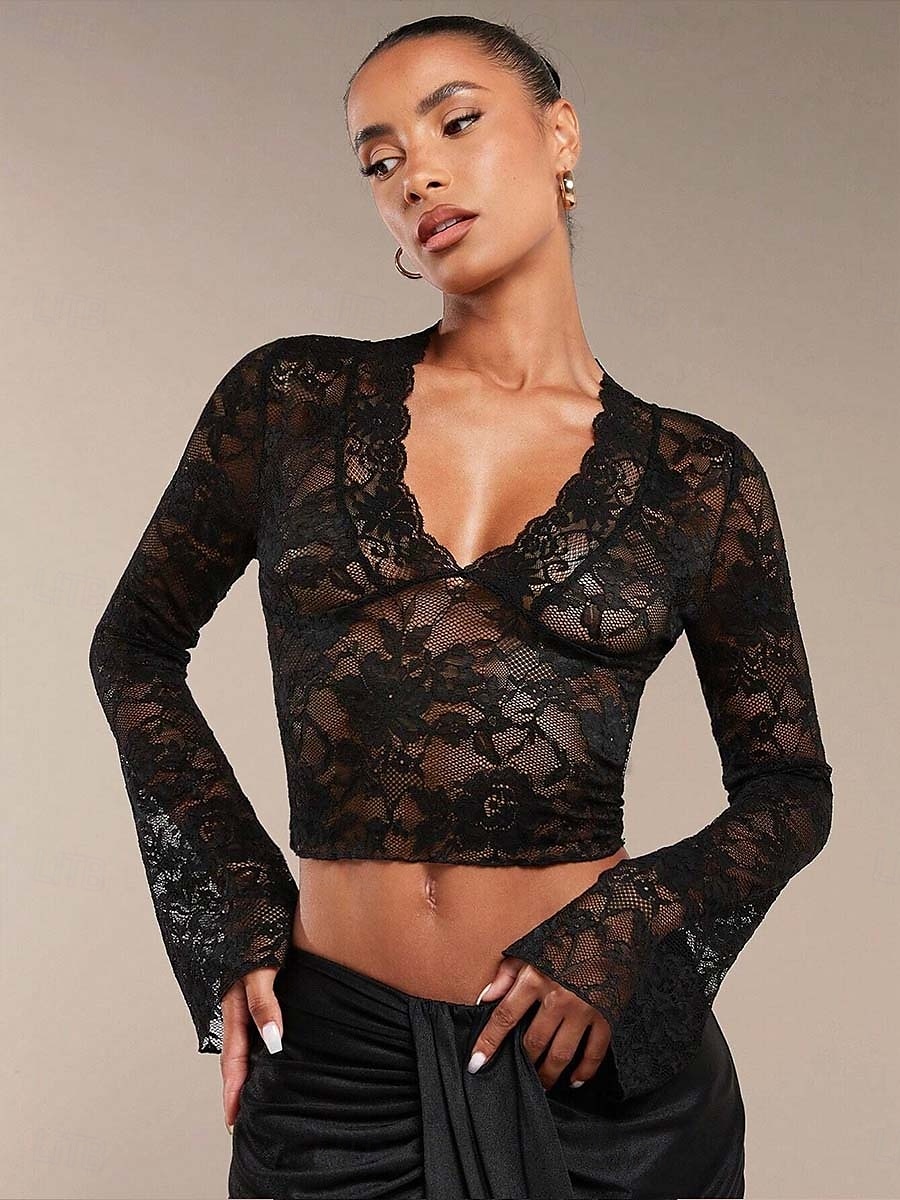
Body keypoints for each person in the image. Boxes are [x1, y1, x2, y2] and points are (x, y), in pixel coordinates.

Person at [88, 14, 834, 1200]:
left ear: (560, 134)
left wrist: (628, 927)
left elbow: (790, 787)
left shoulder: (701, 477)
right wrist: (234, 911)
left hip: (597, 1076)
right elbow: (133, 646)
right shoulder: (291, 400)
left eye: (456, 122)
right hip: (338, 1074)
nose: (416, 176)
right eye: (380, 159)